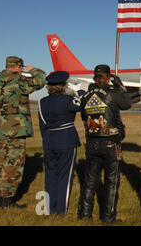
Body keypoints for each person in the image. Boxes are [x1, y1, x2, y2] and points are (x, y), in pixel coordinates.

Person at [77, 64, 135, 224]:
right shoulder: (112, 93)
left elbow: (83, 114)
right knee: (111, 182)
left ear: (94, 77)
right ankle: (108, 217)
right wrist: (120, 86)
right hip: (110, 142)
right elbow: (127, 104)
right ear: (108, 77)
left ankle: (84, 214)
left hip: (91, 142)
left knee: (89, 181)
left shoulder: (86, 95)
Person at [0, 56, 46, 208]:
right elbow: (41, 80)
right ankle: (7, 200)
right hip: (15, 130)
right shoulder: (18, 80)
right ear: (18, 66)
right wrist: (33, 70)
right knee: (13, 164)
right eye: (21, 67)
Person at [38, 71, 83, 215]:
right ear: (64, 85)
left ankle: (49, 208)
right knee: (65, 175)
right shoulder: (68, 100)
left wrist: (48, 139)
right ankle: (60, 210)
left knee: (50, 175)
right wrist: (78, 90)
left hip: (49, 140)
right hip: (66, 140)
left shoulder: (42, 102)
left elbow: (42, 125)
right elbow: (85, 102)